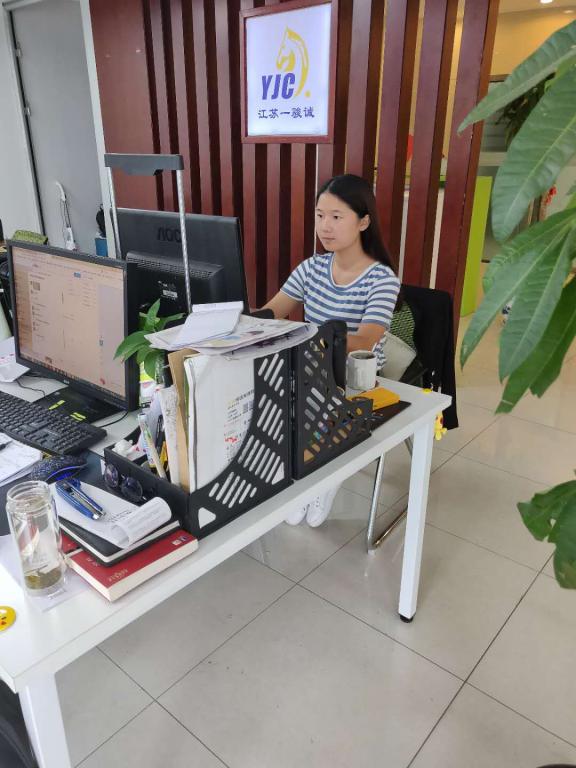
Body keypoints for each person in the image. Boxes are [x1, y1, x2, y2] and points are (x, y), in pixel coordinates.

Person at [263, 173, 401, 527]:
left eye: (337, 216)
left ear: (363, 222)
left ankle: (324, 473)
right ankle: (300, 474)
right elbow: (272, 312)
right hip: (311, 367)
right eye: (320, 215)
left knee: (304, 403)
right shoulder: (312, 268)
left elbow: (365, 341)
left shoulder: (381, 278)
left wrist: (306, 336)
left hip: (358, 376)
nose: (325, 226)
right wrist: (239, 320)